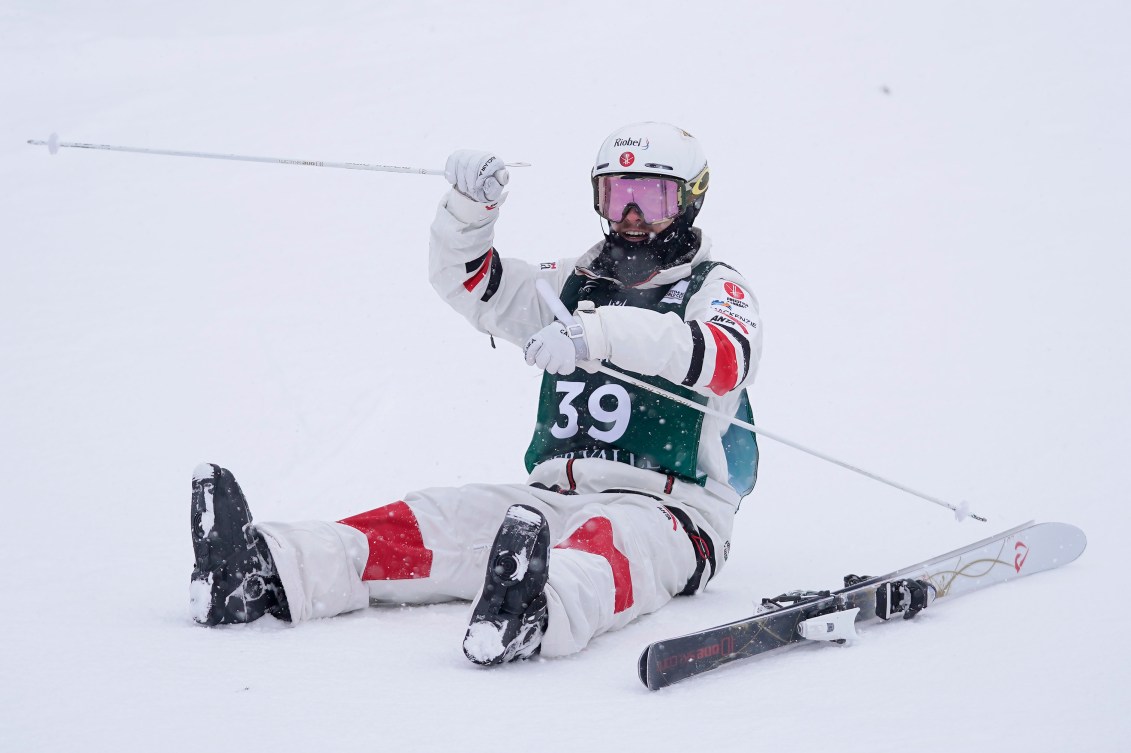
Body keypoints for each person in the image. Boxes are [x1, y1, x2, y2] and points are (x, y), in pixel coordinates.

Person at [189, 122, 763, 665]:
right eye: (616, 196)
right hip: (554, 497)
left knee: (606, 544)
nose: (632, 216)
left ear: (690, 199)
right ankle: (266, 570)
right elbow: (471, 283)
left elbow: (722, 355)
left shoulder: (715, 286)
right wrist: (469, 209)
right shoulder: (573, 283)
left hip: (672, 511)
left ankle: (530, 609)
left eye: (651, 198)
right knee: (440, 516)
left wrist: (596, 332)